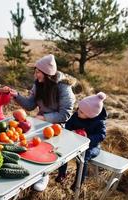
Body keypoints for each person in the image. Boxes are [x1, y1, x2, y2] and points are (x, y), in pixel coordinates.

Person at [10, 54, 76, 191]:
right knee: (31, 145)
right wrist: (16, 96)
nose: (35, 75)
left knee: (47, 148)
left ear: (47, 74)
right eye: (36, 71)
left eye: (38, 72)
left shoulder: (63, 87)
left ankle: (44, 174)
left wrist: (45, 118)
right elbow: (30, 105)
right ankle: (31, 171)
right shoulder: (38, 84)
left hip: (57, 125)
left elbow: (66, 114)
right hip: (40, 122)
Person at [56, 92, 107, 190]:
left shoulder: (99, 122)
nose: (78, 111)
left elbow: (101, 135)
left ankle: (78, 182)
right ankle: (62, 173)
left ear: (90, 115)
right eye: (79, 108)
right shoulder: (77, 115)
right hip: (75, 142)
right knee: (63, 151)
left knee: (84, 157)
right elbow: (68, 125)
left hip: (92, 146)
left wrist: (87, 138)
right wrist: (71, 131)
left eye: (82, 112)